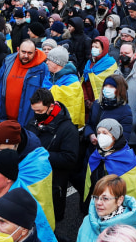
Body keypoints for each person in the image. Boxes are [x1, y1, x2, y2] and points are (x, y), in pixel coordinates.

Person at [26, 88, 79, 222]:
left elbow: (70, 158)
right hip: (33, 180)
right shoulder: (34, 122)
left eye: (40, 111)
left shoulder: (68, 129)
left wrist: (42, 155)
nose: (36, 114)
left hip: (54, 184)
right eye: (34, 111)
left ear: (51, 107)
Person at [83, 119, 136, 212]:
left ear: (115, 136)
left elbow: (133, 188)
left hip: (119, 209)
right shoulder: (95, 155)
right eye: (99, 133)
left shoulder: (128, 158)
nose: (101, 136)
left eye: (105, 133)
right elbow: (89, 182)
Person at [0, 39, 51, 128]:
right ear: (18, 50)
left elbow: (46, 92)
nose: (26, 55)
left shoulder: (42, 68)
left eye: (30, 53)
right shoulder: (8, 61)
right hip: (4, 117)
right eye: (23, 52)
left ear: (35, 52)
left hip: (27, 120)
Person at [78, 175, 136, 242]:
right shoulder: (86, 220)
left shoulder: (129, 234)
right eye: (96, 197)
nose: (98, 203)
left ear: (120, 200)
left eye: (105, 198)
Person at [44, 45, 85, 127]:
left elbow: (72, 105)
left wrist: (51, 90)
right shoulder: (49, 76)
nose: (46, 62)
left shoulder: (73, 81)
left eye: (49, 60)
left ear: (57, 63)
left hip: (67, 125)